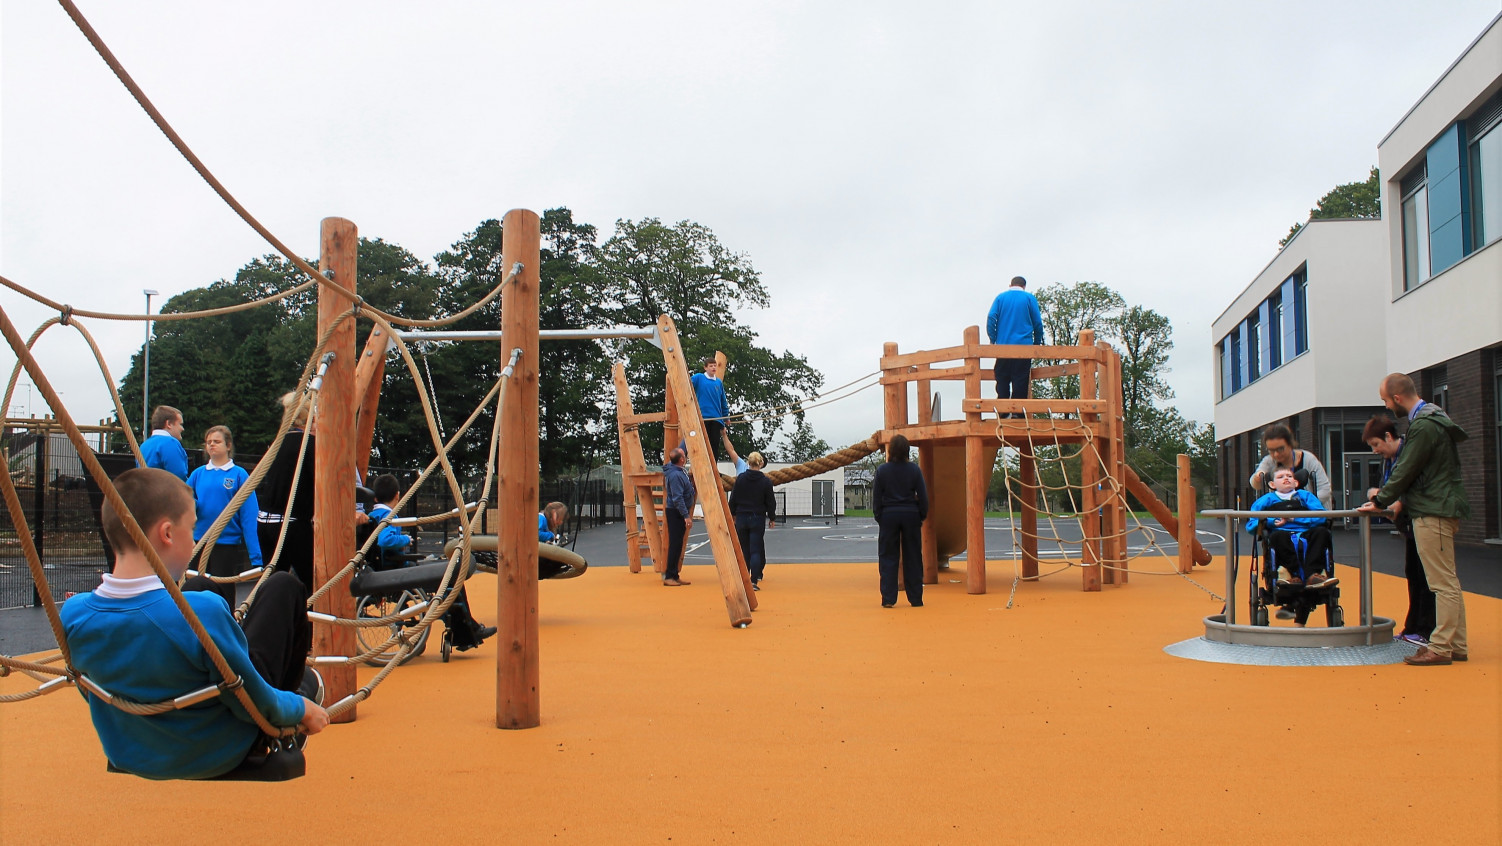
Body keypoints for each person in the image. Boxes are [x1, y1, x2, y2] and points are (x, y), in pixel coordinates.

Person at [60, 468, 328, 779]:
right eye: (192, 529)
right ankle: (297, 698)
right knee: (283, 587)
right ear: (168, 534)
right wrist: (299, 710)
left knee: (201, 584)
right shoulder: (199, 614)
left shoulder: (74, 614)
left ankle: (226, 649)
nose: (195, 539)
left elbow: (91, 689)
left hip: (131, 749)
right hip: (214, 749)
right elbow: (252, 700)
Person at [1358, 373, 1470, 666]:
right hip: (1439, 506)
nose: (1386, 406)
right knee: (1448, 580)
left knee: (1440, 583)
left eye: (1385, 400)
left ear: (1397, 398)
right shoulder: (1433, 418)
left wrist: (1379, 500)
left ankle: (1441, 646)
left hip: (1433, 510)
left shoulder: (1423, 426)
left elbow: (1406, 469)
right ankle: (1455, 644)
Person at [360, 474, 495, 651]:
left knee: (448, 578)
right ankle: (467, 632)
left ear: (376, 497)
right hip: (397, 568)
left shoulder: (372, 515)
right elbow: (385, 541)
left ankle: (467, 630)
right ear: (398, 495)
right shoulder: (388, 515)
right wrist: (405, 540)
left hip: (384, 567)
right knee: (451, 579)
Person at [1362, 414, 1434, 645]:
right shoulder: (1390, 459)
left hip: (1423, 521)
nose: (1375, 451)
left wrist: (1385, 501)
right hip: (1410, 525)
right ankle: (1413, 626)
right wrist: (1379, 499)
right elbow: (1390, 489)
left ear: (1388, 436)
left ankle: (1425, 630)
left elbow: (1408, 488)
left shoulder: (1407, 455)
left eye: (1376, 445)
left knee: (1424, 577)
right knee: (1413, 573)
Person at [1248, 468, 1337, 627]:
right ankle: (1290, 575)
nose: (1286, 478)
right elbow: (1251, 524)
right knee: (1277, 536)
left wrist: (1294, 519)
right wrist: (1272, 522)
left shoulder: (1306, 497)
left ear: (1296, 482)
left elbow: (1321, 516)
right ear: (1272, 484)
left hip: (1306, 532)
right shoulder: (1266, 499)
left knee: (1322, 533)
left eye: (1290, 476)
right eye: (1281, 477)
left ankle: (1312, 576)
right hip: (1281, 534)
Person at [185, 425, 263, 607]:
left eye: (217, 441)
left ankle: (226, 625)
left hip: (225, 543)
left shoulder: (238, 475)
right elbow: (183, 501)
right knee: (195, 588)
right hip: (199, 541)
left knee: (222, 590)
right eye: (208, 442)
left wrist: (256, 557)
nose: (212, 445)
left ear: (228, 446)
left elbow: (249, 515)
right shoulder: (198, 474)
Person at [257, 392, 317, 589]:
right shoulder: (310, 445)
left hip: (265, 521)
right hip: (290, 523)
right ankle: (312, 619)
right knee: (314, 585)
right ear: (312, 418)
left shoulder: (276, 444)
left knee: (273, 585)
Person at [872, 434, 928, 608]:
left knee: (888, 556)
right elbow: (923, 496)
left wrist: (879, 516)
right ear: (907, 451)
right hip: (910, 514)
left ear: (890, 451)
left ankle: (888, 598)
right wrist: (921, 515)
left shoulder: (882, 470)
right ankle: (916, 598)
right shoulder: (914, 470)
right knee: (913, 556)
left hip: (889, 514)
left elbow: (876, 498)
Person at [985, 276, 1044, 415]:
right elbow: (1038, 324)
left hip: (1003, 347)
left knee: (1002, 378)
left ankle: (1003, 412)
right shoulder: (1029, 298)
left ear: (1010, 284)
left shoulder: (1000, 298)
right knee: (1020, 380)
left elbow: (991, 318)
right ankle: (1018, 413)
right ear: (1024, 286)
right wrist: (1036, 344)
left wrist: (993, 339)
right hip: (1023, 348)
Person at [1248, 424, 1332, 509]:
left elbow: (1325, 490)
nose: (1276, 454)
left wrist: (1303, 504)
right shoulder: (1269, 461)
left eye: (1280, 449)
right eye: (1271, 450)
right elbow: (1255, 484)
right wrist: (1258, 477)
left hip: (1312, 517)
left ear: (1290, 444)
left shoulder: (1309, 459)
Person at [729, 451, 776, 591]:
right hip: (757, 517)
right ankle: (754, 580)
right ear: (761, 463)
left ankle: (744, 579)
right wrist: (772, 517)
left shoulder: (741, 479)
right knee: (755, 549)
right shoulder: (766, 481)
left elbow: (733, 498)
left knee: (744, 550)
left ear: (748, 463)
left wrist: (733, 514)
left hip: (742, 516)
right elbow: (770, 502)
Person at [662, 447, 695, 587]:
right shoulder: (675, 475)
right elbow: (677, 498)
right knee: (675, 544)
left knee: (678, 543)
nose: (686, 456)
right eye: (684, 455)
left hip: (677, 511)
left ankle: (674, 574)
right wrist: (686, 516)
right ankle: (669, 575)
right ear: (681, 459)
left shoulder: (676, 469)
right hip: (676, 512)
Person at [689, 358, 733, 459]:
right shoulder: (699, 378)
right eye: (711, 366)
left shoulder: (718, 382)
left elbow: (723, 401)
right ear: (705, 368)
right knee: (702, 444)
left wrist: (726, 417)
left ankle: (714, 469)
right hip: (703, 417)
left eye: (715, 365)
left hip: (716, 418)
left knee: (714, 445)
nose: (713, 368)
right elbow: (687, 384)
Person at [138, 405, 188, 481]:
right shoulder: (170, 443)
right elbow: (179, 476)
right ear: (169, 424)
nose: (182, 429)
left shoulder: (144, 445)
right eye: (180, 424)